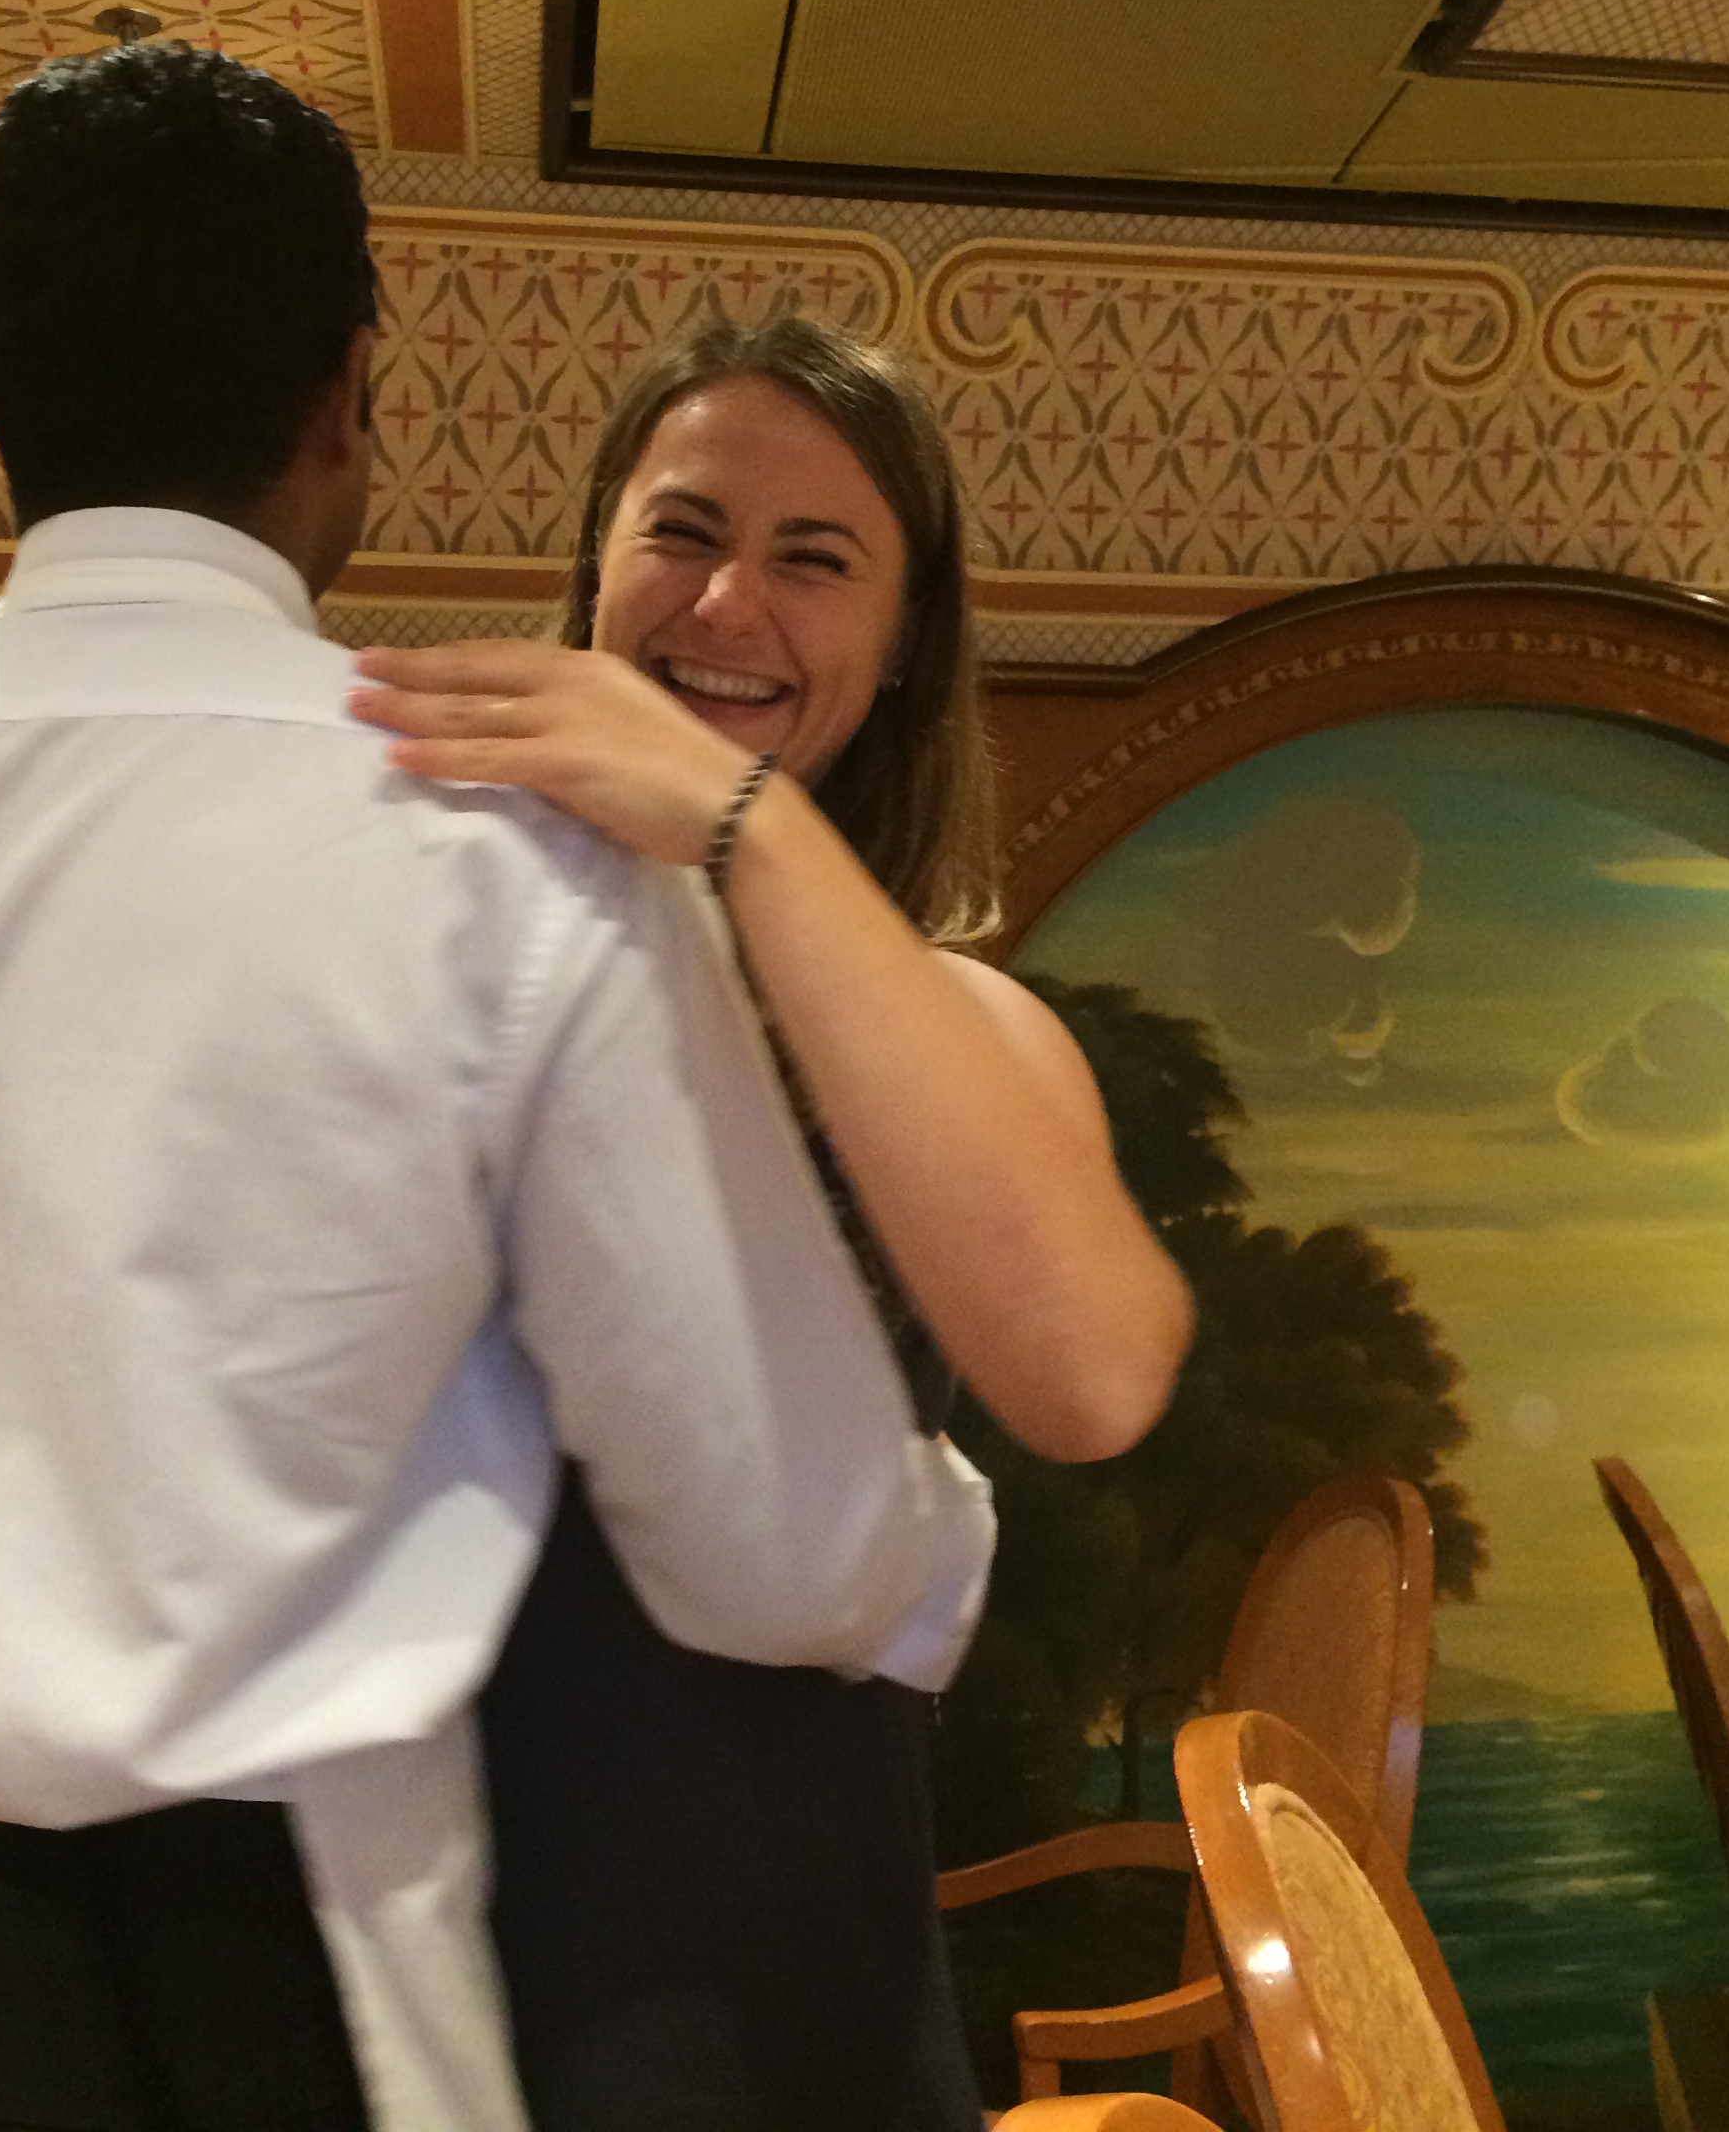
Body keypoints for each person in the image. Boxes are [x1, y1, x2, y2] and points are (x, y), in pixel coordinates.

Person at [0, 41, 996, 2132]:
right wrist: (935, 1539)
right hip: (256, 1991)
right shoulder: (523, 863)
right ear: (348, 398)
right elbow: (770, 1543)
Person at [344, 313, 1195, 2129]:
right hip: (386, 1918)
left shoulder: (957, 1029)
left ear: (900, 648)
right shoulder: (408, 940)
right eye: (682, 530)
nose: (728, 602)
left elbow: (1094, 1377)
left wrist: (745, 827)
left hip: (765, 1947)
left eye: (814, 560)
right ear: (594, 566)